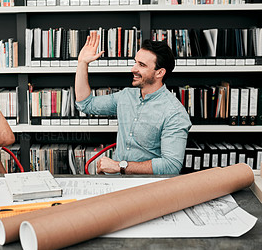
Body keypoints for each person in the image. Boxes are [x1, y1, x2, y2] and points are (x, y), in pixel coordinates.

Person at [75, 32, 192, 175]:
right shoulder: (126, 96)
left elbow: (171, 166)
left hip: (146, 188)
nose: (133, 69)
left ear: (159, 72)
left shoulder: (174, 113)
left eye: (141, 65)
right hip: (115, 181)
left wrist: (120, 167)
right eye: (135, 62)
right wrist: (82, 63)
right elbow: (85, 104)